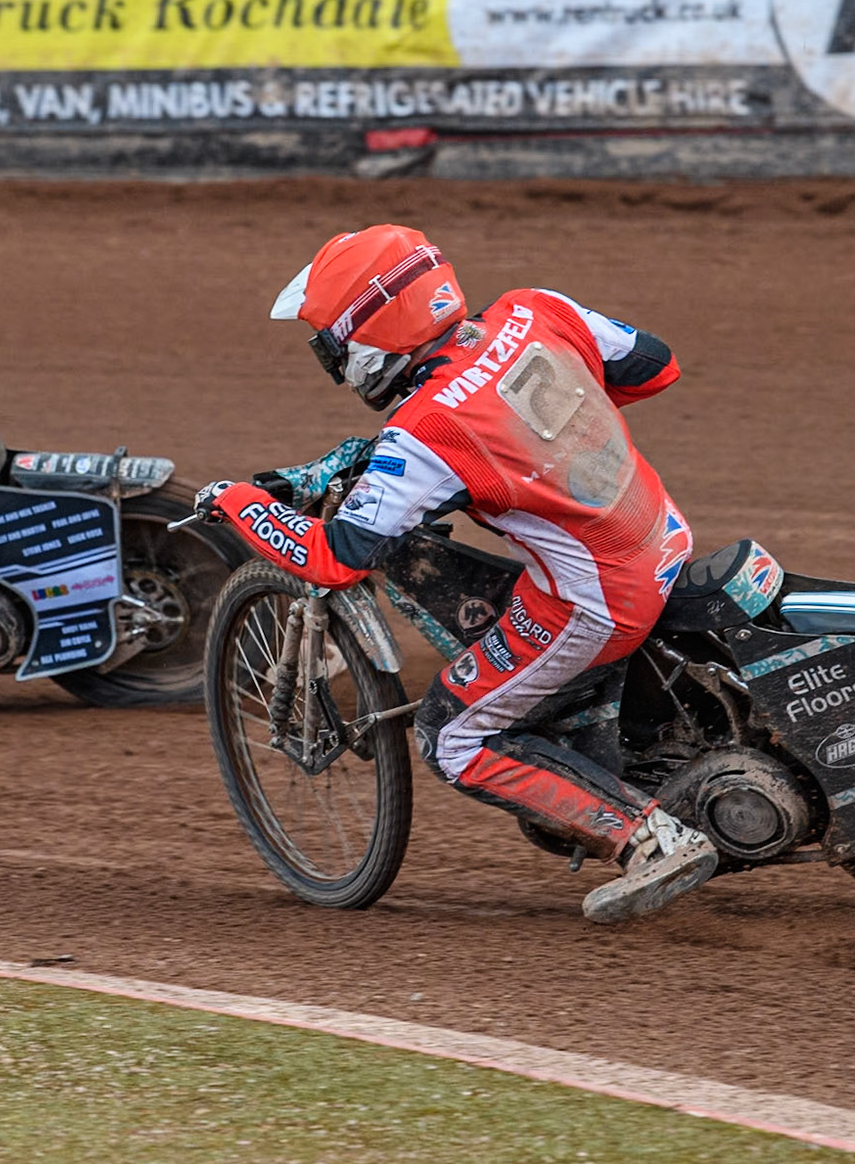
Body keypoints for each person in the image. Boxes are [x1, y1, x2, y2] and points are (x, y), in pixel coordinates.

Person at [195, 224, 717, 924]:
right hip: (662, 534)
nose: (332, 359)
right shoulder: (534, 309)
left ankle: (650, 837)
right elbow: (655, 366)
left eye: (330, 344)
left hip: (599, 597)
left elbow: (338, 556)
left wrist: (239, 502)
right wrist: (541, 433)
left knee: (450, 734)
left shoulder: (425, 430)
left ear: (366, 339)